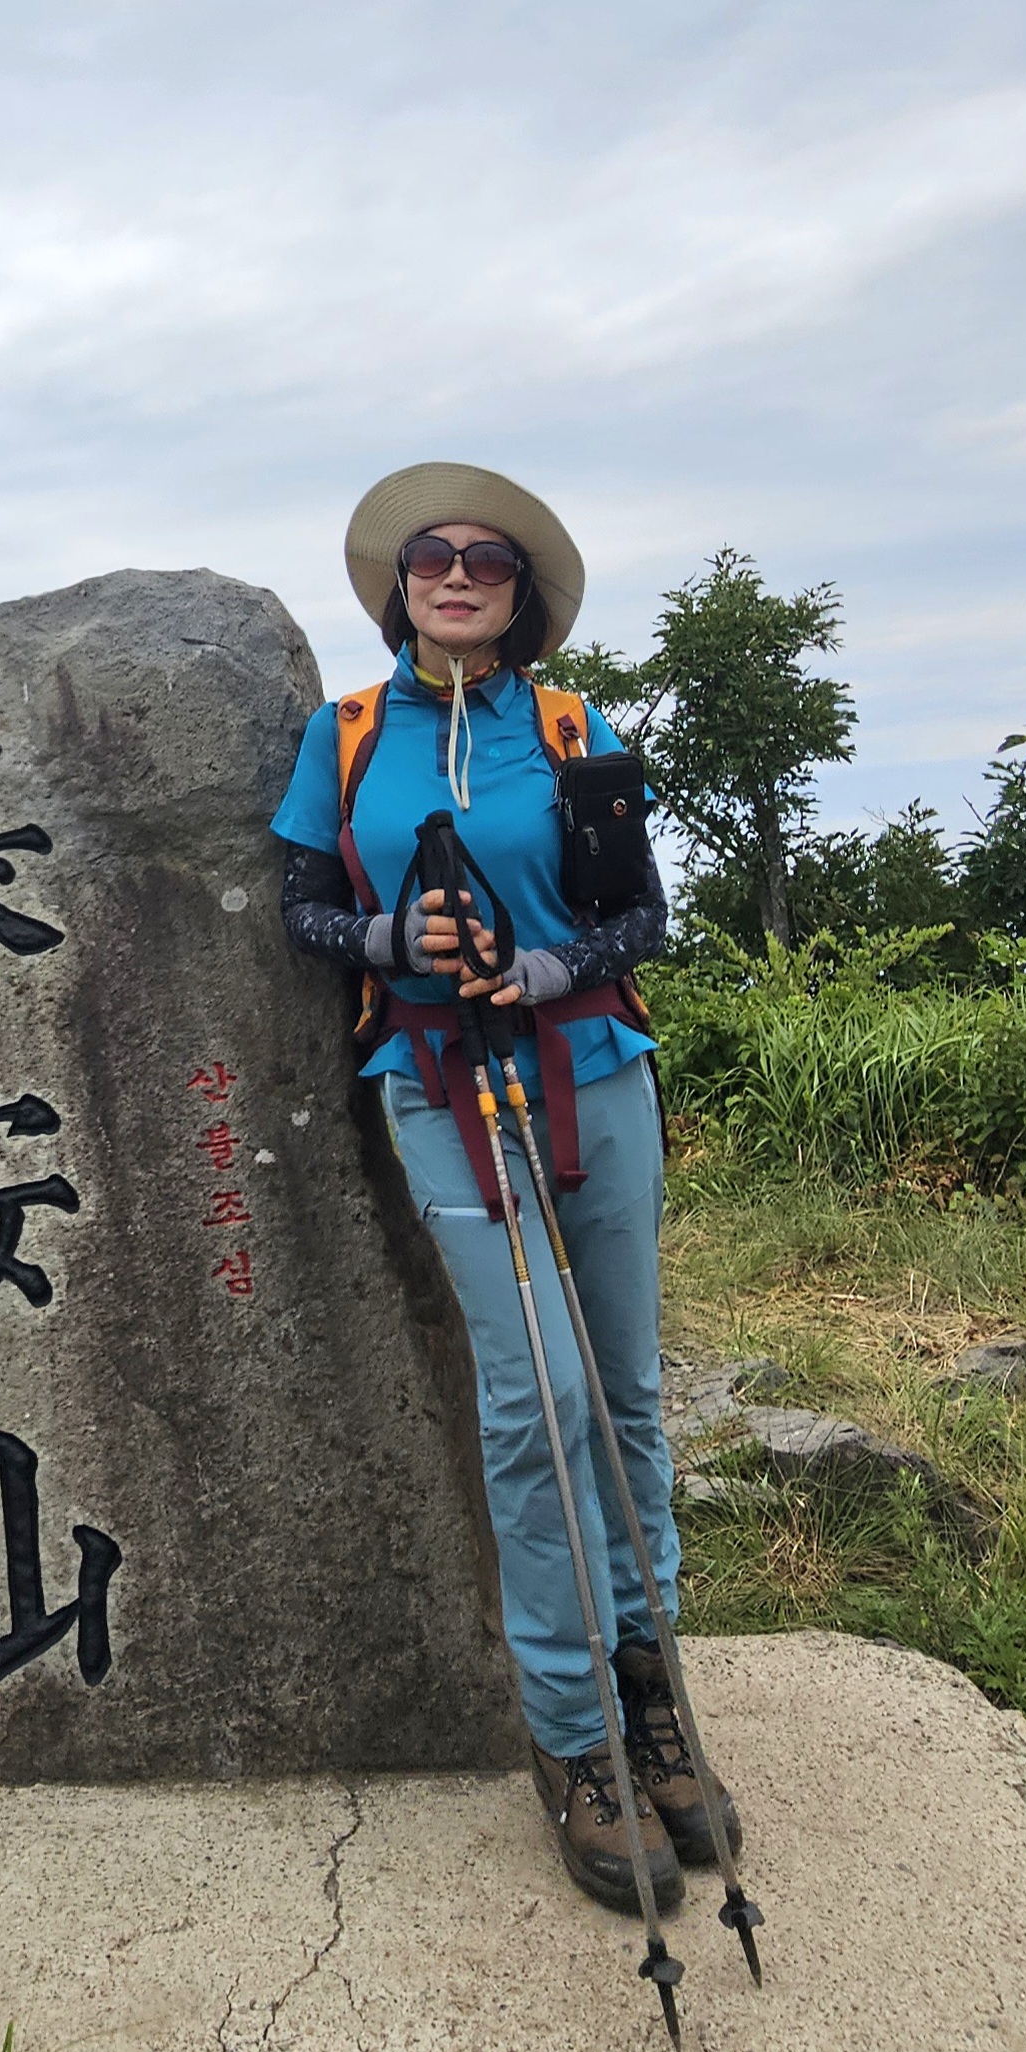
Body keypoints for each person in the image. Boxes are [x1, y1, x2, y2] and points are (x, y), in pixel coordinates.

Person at [272, 461, 741, 1916]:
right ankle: (571, 1731)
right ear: (400, 584)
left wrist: (542, 967)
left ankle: (652, 1694)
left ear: (521, 595)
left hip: (592, 1071)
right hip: (436, 1082)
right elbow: (300, 909)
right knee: (536, 1397)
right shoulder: (349, 735)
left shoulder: (572, 728)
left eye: (489, 559)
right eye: (434, 554)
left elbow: (643, 913)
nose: (459, 573)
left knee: (628, 1394)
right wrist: (390, 941)